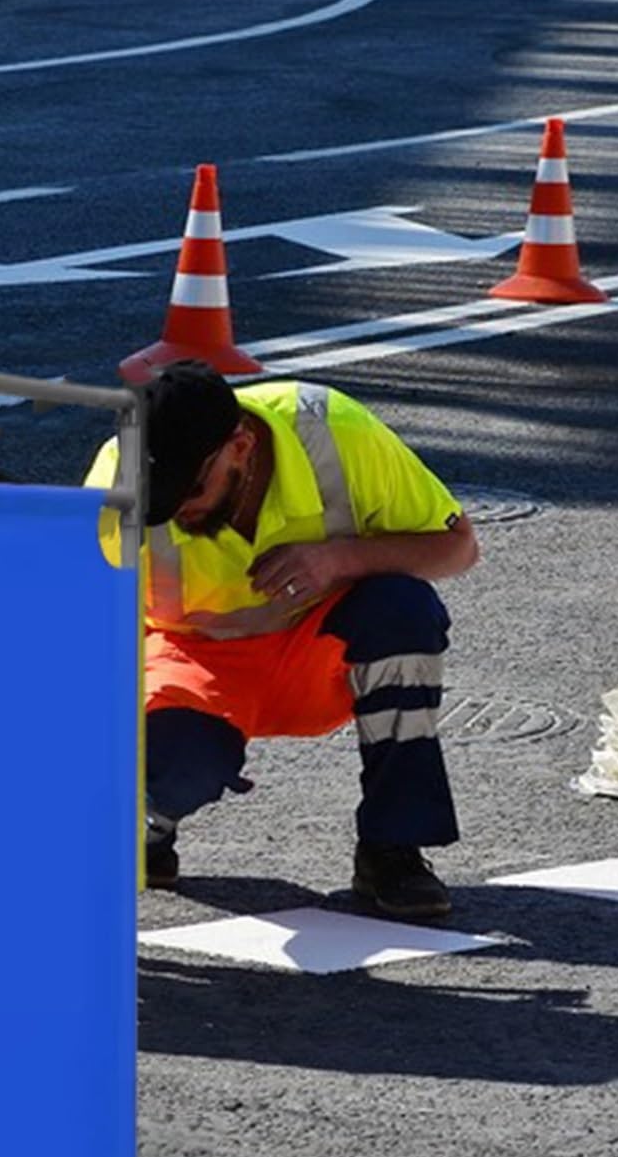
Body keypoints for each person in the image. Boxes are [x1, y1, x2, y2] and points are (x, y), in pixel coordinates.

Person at [84, 361, 480, 919]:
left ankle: (392, 851)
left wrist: (339, 559)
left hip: (317, 652)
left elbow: (458, 546)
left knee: (404, 609)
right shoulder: (115, 478)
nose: (179, 509)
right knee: (176, 760)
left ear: (242, 446)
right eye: (161, 496)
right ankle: (151, 821)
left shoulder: (335, 432)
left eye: (192, 488)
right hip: (193, 662)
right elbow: (81, 627)